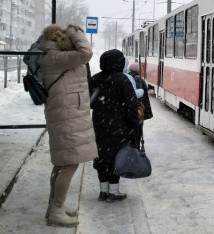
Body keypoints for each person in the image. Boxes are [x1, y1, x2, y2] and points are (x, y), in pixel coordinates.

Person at [39, 23, 97, 227]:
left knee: (63, 163)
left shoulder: (55, 56)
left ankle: (55, 207)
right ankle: (56, 210)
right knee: (70, 163)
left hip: (68, 113)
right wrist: (77, 32)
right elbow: (86, 52)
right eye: (64, 36)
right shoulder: (56, 57)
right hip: (66, 115)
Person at [89, 49, 140, 203]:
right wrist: (134, 126)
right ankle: (114, 192)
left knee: (101, 157)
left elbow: (89, 101)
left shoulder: (95, 79)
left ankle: (103, 191)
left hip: (99, 124)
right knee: (115, 158)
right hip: (119, 126)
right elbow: (131, 106)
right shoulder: (122, 80)